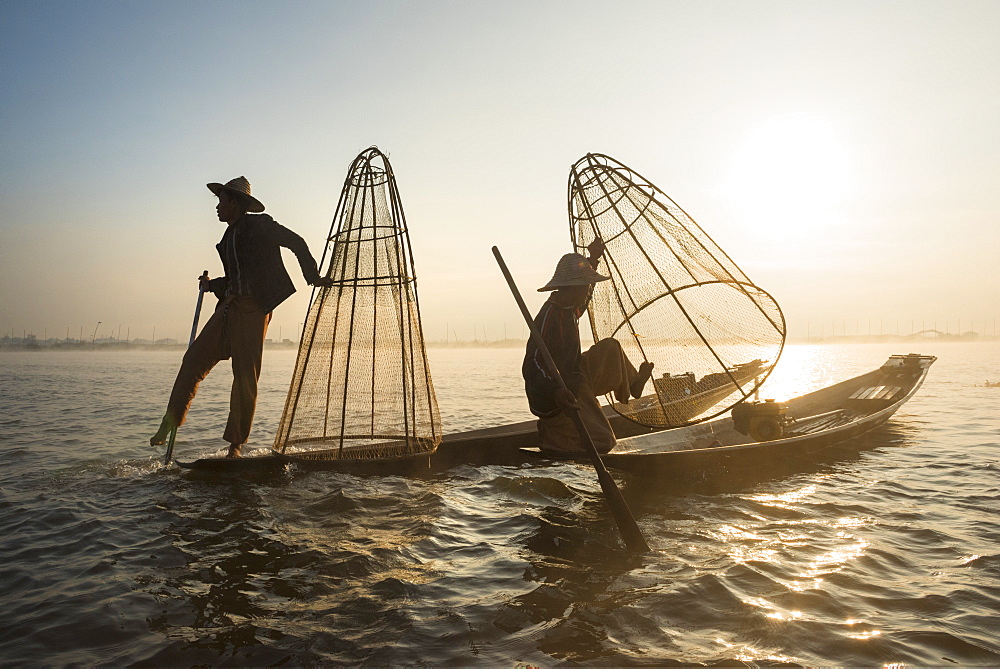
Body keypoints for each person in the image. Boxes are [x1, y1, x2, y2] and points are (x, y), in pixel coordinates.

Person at [149, 176, 332, 457]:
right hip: (228, 308)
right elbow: (237, 278)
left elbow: (296, 241)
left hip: (253, 310)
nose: (218, 207)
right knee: (193, 360)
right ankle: (169, 423)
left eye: (222, 201)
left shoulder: (260, 225)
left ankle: (236, 445)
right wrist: (212, 286)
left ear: (236, 203)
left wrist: (313, 277)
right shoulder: (228, 235)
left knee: (245, 376)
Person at [522, 240, 654, 454]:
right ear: (571, 288)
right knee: (603, 440)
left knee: (611, 347)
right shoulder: (549, 317)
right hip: (558, 389)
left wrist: (593, 259)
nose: (587, 291)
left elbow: (586, 297)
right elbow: (532, 365)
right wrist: (556, 391)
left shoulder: (571, 307)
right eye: (583, 286)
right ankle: (554, 435)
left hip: (573, 374)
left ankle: (633, 384)